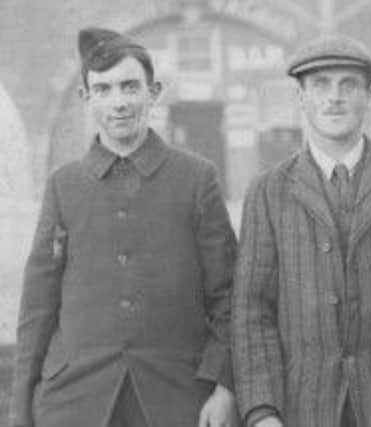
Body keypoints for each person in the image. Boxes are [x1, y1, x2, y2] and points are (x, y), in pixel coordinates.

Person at [10, 27, 238, 427]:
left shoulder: (196, 179)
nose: (118, 103)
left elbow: (229, 298)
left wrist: (225, 389)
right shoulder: (63, 186)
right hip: (73, 404)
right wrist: (20, 414)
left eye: (130, 87)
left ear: (154, 92)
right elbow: (37, 309)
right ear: (86, 97)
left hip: (177, 401)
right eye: (103, 89)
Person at [232, 34, 371, 427]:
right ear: (301, 98)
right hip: (302, 409)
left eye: (348, 85)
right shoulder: (268, 191)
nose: (334, 97)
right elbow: (252, 312)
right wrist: (262, 412)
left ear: (368, 97)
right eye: (320, 84)